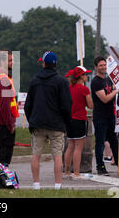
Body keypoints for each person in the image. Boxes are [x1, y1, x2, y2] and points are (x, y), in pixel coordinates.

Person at [24, 51, 72, 190]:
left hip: (37, 123)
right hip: (56, 124)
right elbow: (66, 105)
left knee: (36, 154)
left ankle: (36, 184)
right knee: (57, 156)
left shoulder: (35, 81)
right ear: (55, 64)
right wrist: (65, 122)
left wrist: (31, 120)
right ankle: (57, 185)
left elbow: (28, 105)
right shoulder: (62, 82)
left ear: (44, 64)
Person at [91, 56, 119, 176]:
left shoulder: (108, 80)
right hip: (100, 117)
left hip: (110, 116)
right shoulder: (96, 81)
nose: (103, 67)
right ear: (96, 67)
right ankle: (100, 166)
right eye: (101, 65)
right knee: (100, 143)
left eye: (104, 65)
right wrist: (115, 91)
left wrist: (115, 89)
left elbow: (113, 93)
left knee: (114, 142)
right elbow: (105, 99)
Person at [64, 66, 93, 179]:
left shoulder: (69, 88)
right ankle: (76, 172)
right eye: (85, 74)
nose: (86, 76)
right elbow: (90, 105)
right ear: (81, 76)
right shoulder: (84, 89)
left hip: (69, 119)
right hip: (80, 119)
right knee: (78, 148)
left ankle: (67, 171)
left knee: (70, 146)